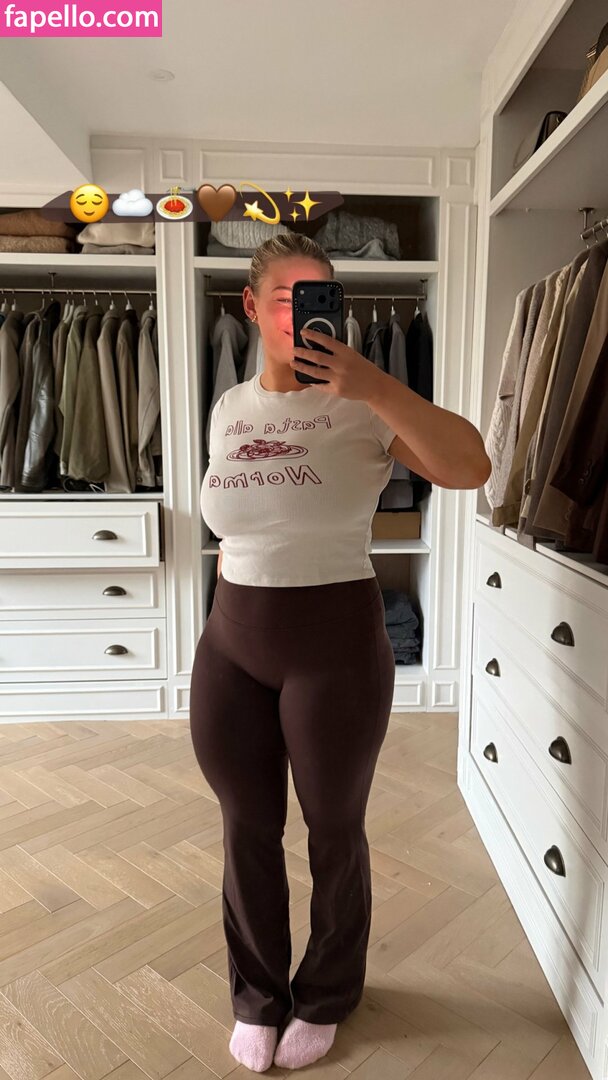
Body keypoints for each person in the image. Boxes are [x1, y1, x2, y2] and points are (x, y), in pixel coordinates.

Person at [189, 233, 491, 1072]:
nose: (299, 315)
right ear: (252, 308)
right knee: (246, 827)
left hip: (335, 649)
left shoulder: (365, 406)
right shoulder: (228, 408)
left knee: (334, 829)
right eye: (284, 298)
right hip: (232, 643)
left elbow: (471, 466)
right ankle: (257, 996)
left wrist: (375, 384)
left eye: (316, 298)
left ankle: (326, 992)